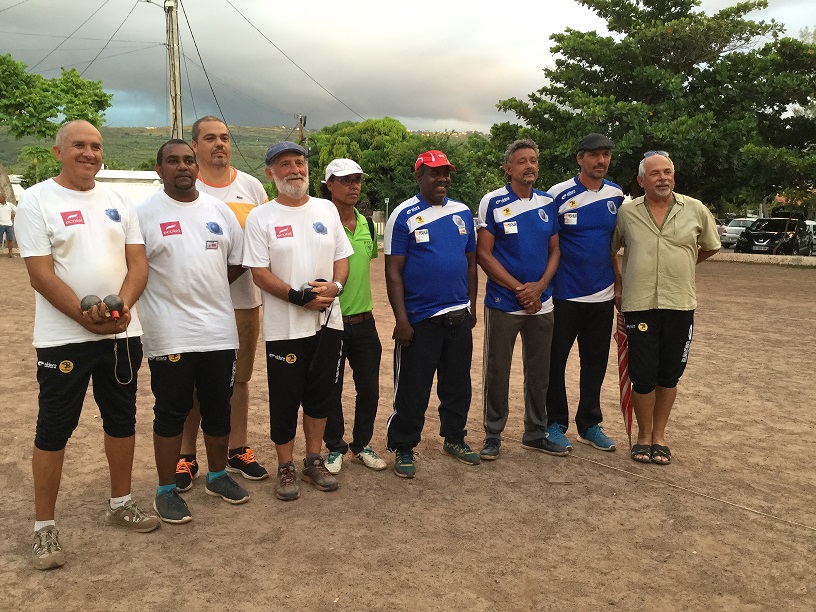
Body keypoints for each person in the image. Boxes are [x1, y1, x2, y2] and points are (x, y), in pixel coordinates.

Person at [14, 120, 160, 570]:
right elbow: (40, 274)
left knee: (121, 421)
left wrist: (124, 309)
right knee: (54, 428)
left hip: (120, 335)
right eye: (78, 145)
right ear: (58, 150)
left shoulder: (119, 201)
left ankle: (121, 504)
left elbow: (138, 264)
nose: (89, 153)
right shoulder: (37, 199)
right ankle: (44, 528)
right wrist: (84, 316)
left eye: (95, 146)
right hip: (63, 339)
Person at [137, 139, 249, 524]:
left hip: (218, 331)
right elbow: (134, 268)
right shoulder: (143, 213)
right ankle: (166, 489)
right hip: (168, 332)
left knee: (219, 407)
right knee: (171, 411)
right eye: (172, 161)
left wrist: (213, 285)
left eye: (188, 160)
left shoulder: (218, 210)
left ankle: (217, 476)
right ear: (159, 169)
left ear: (197, 167)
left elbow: (237, 261)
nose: (182, 166)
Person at [243, 141, 352, 501]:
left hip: (327, 323)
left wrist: (335, 287)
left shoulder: (326, 209)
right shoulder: (262, 217)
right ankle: (285, 465)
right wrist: (297, 297)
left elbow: (342, 257)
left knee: (321, 397)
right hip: (284, 328)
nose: (295, 169)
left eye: (300, 162)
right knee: (286, 400)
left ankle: (313, 459)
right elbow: (258, 272)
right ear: (270, 173)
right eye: (285, 164)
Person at [174, 116, 269, 491]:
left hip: (244, 301)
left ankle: (237, 448)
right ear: (194, 146)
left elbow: (263, 242)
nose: (219, 144)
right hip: (193, 304)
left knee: (239, 379)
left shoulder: (251, 187)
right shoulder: (183, 186)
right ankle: (186, 455)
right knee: (194, 382)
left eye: (225, 138)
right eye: (210, 138)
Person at [611, 150, 720, 465]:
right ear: (642, 180)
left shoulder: (695, 209)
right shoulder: (626, 212)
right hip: (639, 304)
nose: (663, 178)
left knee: (669, 374)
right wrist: (618, 284)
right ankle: (643, 436)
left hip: (679, 304)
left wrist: (684, 264)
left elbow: (711, 246)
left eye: (668, 172)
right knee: (642, 374)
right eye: (656, 173)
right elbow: (611, 249)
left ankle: (659, 436)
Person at [384, 150, 479, 479]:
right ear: (419, 176)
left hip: (458, 315)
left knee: (457, 384)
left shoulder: (463, 213)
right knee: (413, 387)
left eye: (446, 173)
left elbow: (470, 263)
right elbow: (393, 272)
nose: (443, 179)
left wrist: (472, 306)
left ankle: (454, 438)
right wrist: (401, 320)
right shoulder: (404, 215)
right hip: (420, 319)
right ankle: (404, 446)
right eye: (435, 173)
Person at [476, 138, 568, 460]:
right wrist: (521, 290)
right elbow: (484, 255)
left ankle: (535, 432)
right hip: (504, 303)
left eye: (533, 160)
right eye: (521, 161)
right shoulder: (493, 201)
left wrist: (540, 287)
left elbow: (555, 250)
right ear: (507, 167)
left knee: (540, 371)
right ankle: (493, 433)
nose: (529, 166)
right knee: (498, 370)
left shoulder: (547, 202)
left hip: (543, 302)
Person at [545, 133, 625, 452]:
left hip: (601, 297)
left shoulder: (617, 195)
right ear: (580, 159)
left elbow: (614, 247)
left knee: (595, 363)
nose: (601, 161)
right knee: (555, 362)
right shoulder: (558, 194)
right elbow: (547, 245)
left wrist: (618, 286)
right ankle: (554, 422)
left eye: (605, 155)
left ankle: (589, 423)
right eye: (594, 155)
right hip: (564, 296)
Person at [319, 159, 386, 474]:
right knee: (330, 389)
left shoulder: (368, 224)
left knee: (369, 389)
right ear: (329, 185)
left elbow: (366, 262)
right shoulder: (318, 224)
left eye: (357, 180)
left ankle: (361, 445)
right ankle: (334, 447)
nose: (354, 186)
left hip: (365, 323)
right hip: (330, 322)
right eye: (346, 180)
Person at [0, 190, 17, 257]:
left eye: (0, 197)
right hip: (0, 224)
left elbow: (17, 210)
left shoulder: (10, 205)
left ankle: (10, 253)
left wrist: (13, 215)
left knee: (10, 239)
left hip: (8, 225)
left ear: (4, 198)